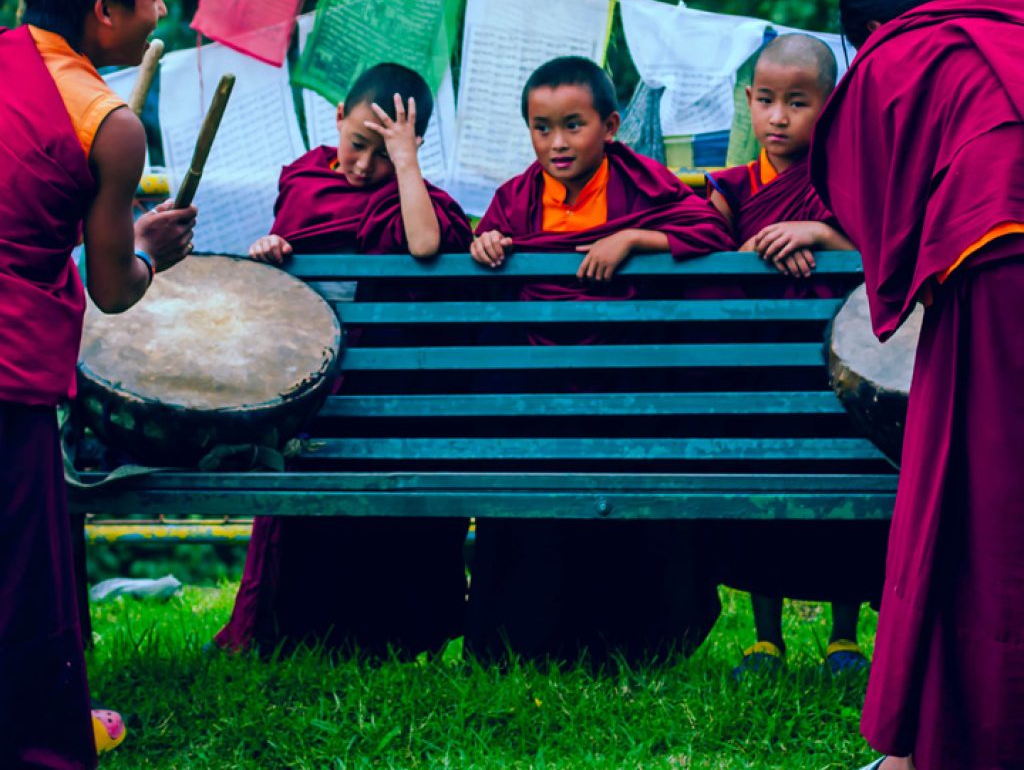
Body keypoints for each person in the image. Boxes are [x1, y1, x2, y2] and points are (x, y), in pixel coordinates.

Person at [810, 0, 1024, 770]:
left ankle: (944, 744)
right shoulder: (1008, 24)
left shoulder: (902, 49)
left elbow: (860, 183)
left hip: (1000, 272)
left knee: (975, 502)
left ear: (865, 28)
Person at [0, 0, 196, 768]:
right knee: (19, 576)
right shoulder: (110, 127)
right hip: (6, 375)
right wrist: (152, 250)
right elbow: (113, 291)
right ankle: (40, 745)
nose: (162, 10)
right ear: (103, 14)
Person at [465, 56, 735, 663]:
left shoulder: (642, 184)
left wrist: (635, 239)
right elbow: (488, 268)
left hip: (626, 391)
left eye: (573, 125)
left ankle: (636, 643)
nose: (556, 143)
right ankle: (523, 642)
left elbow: (710, 233)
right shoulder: (515, 197)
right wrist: (484, 243)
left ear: (610, 126)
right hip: (535, 398)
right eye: (541, 127)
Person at [215, 63, 474, 658]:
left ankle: (391, 636)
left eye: (383, 155)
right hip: (312, 396)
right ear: (337, 117)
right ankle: (294, 632)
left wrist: (404, 163)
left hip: (393, 400)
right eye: (357, 144)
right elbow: (284, 284)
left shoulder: (416, 200)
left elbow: (425, 245)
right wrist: (270, 249)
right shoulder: (305, 182)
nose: (363, 166)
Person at [706, 33, 887, 679]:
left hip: (839, 371)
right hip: (757, 365)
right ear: (748, 102)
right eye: (765, 100)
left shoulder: (849, 182)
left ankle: (844, 637)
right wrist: (749, 250)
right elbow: (702, 250)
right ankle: (765, 639)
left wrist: (818, 232)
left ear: (830, 105)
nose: (777, 117)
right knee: (765, 494)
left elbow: (882, 251)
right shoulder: (727, 186)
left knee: (843, 490)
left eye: (798, 103)